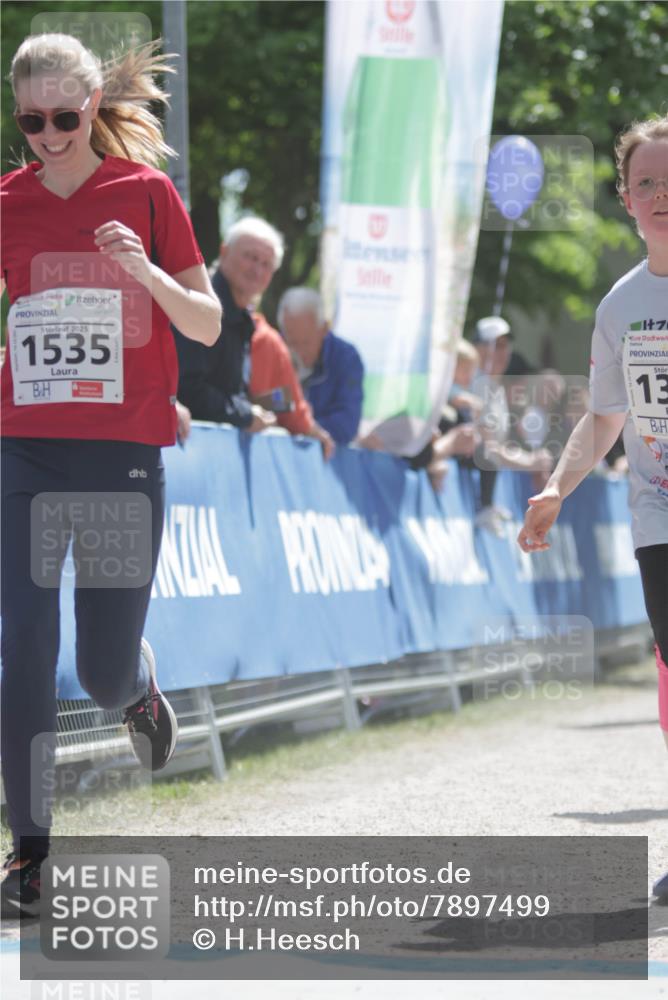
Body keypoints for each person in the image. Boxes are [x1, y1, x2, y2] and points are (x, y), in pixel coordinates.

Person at [0, 33, 221, 918]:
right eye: (32, 121)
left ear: (92, 107)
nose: (50, 136)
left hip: (121, 451)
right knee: (23, 642)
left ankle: (134, 685)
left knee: (96, 672)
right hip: (23, 445)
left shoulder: (148, 193)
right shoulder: (7, 202)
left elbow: (206, 324)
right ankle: (31, 855)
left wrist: (143, 271)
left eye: (65, 117)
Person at [517, 113, 668, 897]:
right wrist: (556, 486)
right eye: (647, 182)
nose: (661, 194)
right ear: (625, 198)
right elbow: (606, 417)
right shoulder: (620, 307)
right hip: (659, 517)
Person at [175, 218, 333, 457]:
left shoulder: (259, 332)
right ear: (224, 252)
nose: (257, 269)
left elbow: (284, 400)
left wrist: (309, 429)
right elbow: (187, 388)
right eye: (250, 257)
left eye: (266, 264)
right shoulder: (197, 302)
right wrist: (246, 414)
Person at [472, 316, 553, 535]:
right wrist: (530, 462)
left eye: (506, 346)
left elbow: (500, 445)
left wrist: (533, 460)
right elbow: (489, 447)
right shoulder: (476, 383)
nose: (503, 353)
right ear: (479, 349)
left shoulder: (495, 388)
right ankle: (486, 506)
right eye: (496, 346)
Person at [277, 287, 364, 446]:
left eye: (306, 342)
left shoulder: (346, 358)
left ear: (324, 329)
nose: (299, 352)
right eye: (292, 342)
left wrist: (303, 427)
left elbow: (347, 423)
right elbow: (264, 405)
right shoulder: (274, 349)